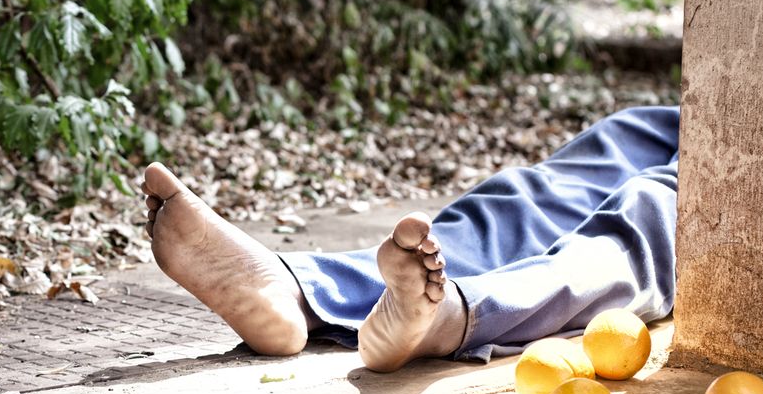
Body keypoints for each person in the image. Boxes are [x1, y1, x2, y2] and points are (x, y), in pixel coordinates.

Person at [142, 106, 680, 372]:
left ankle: (455, 314)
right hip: (682, 106)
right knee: (533, 195)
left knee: (657, 210)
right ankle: (299, 289)